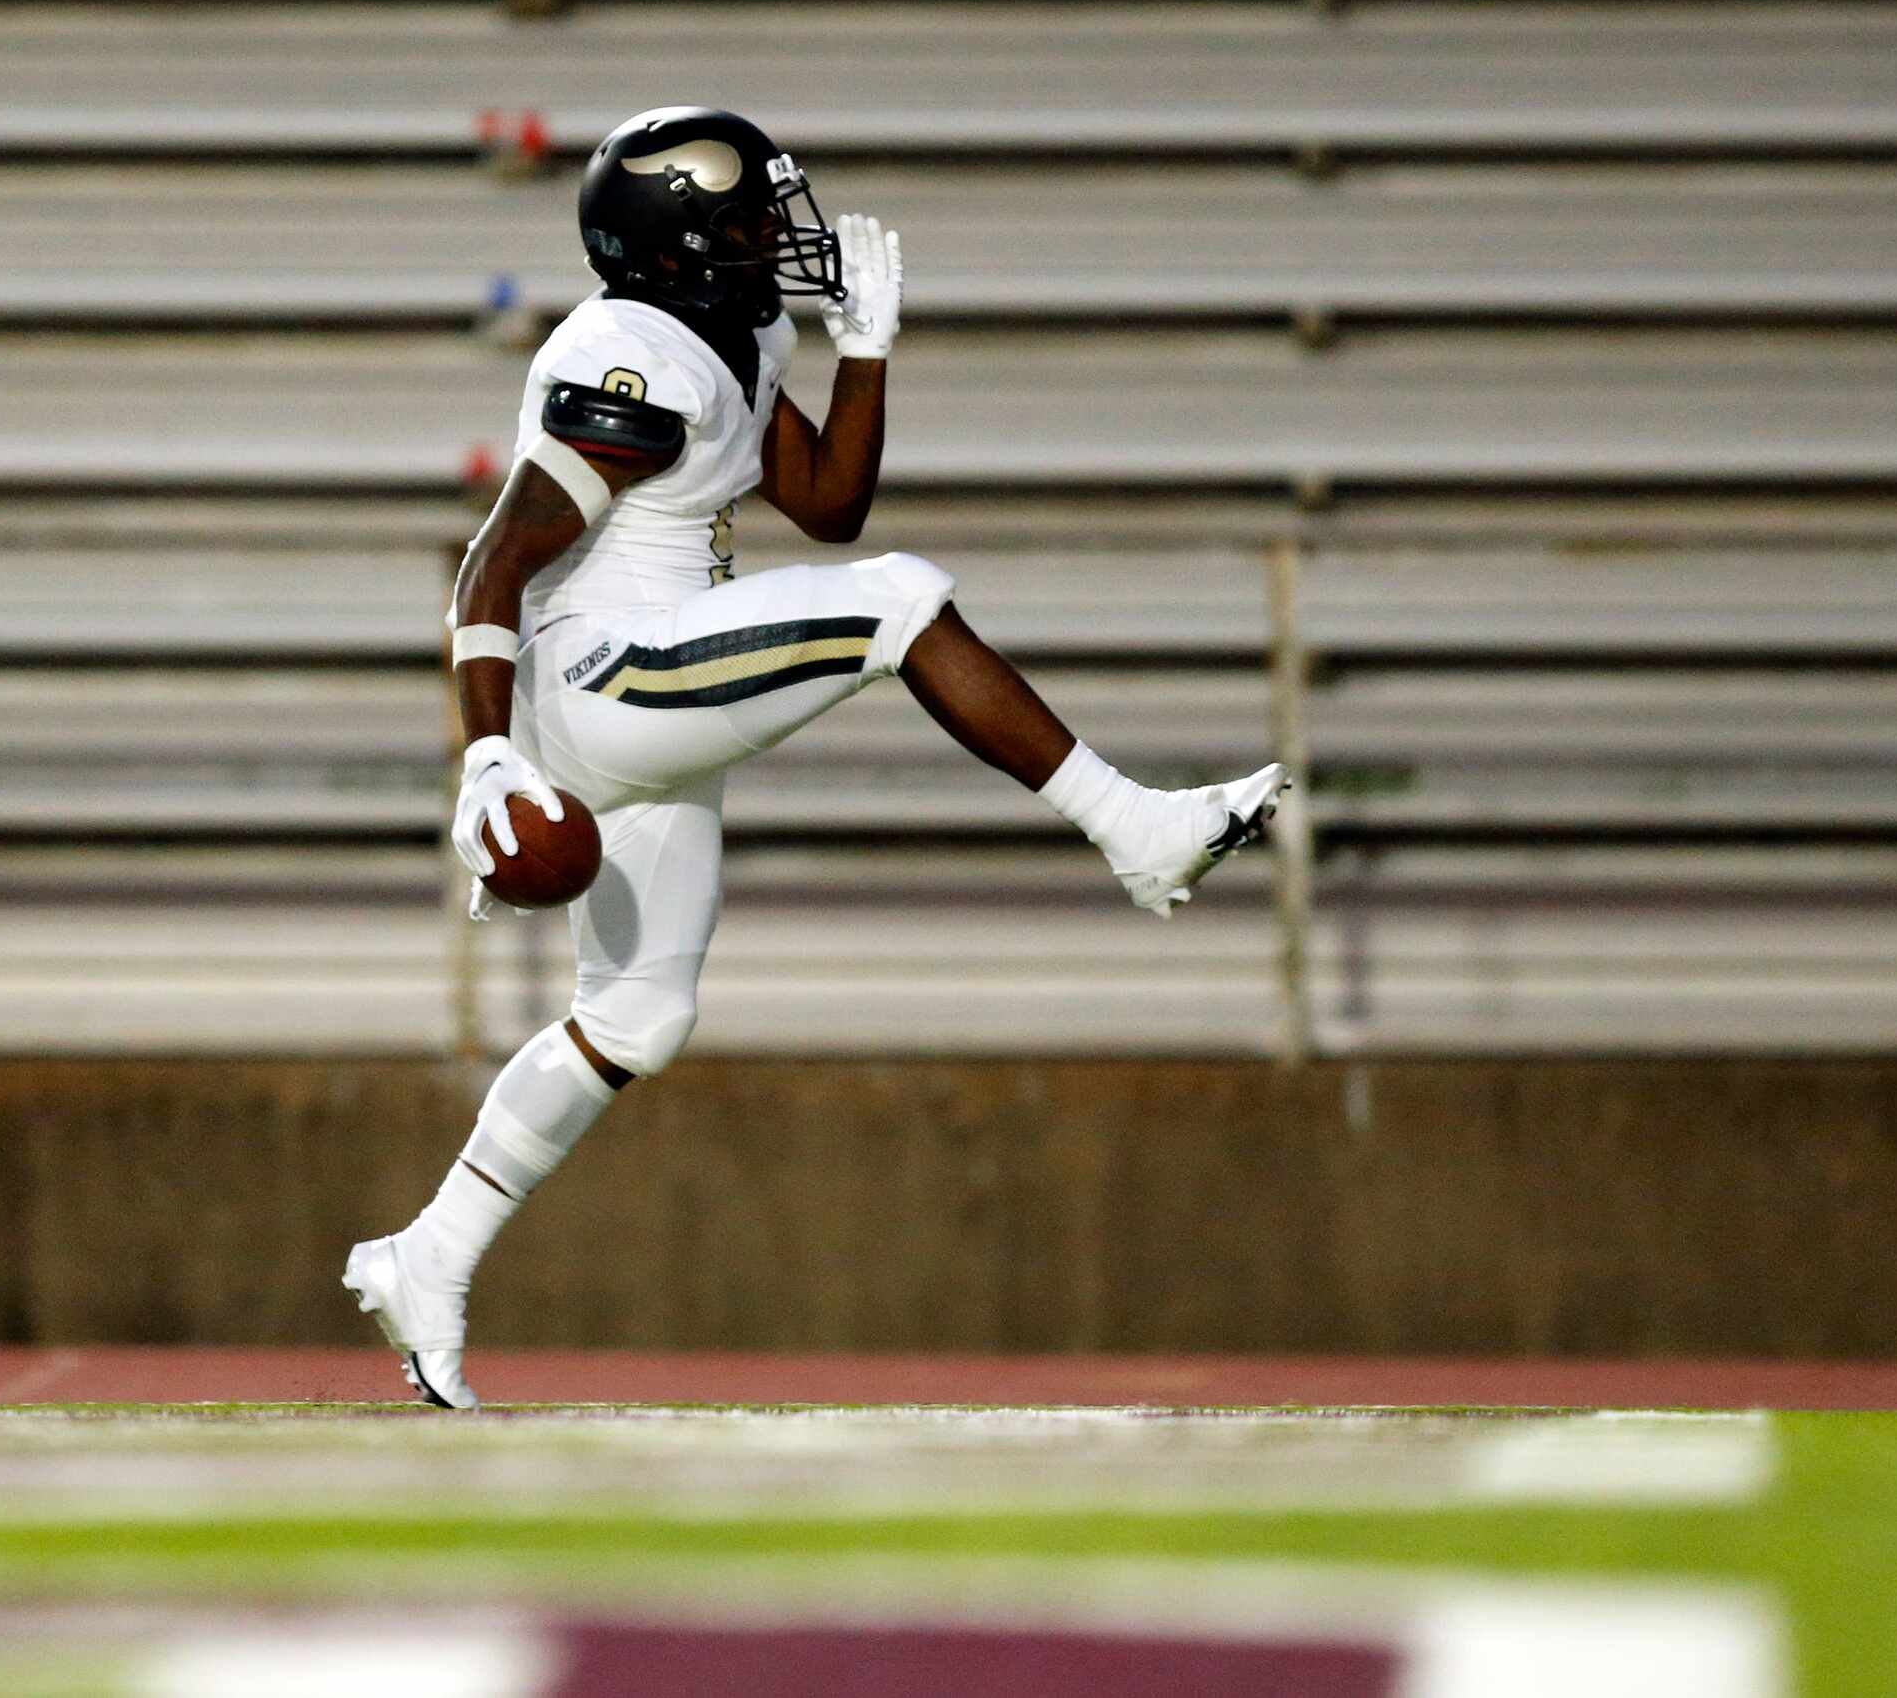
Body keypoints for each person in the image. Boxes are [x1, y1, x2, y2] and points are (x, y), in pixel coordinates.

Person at [345, 107, 1286, 1408]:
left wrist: (870, 354)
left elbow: (828, 498)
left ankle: (427, 1253)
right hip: (601, 679)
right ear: (672, 246)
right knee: (892, 599)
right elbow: (491, 558)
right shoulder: (620, 356)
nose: (769, 239)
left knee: (637, 1013)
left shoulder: (731, 334)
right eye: (738, 222)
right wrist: (487, 756)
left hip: (653, 696)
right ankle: (1131, 827)